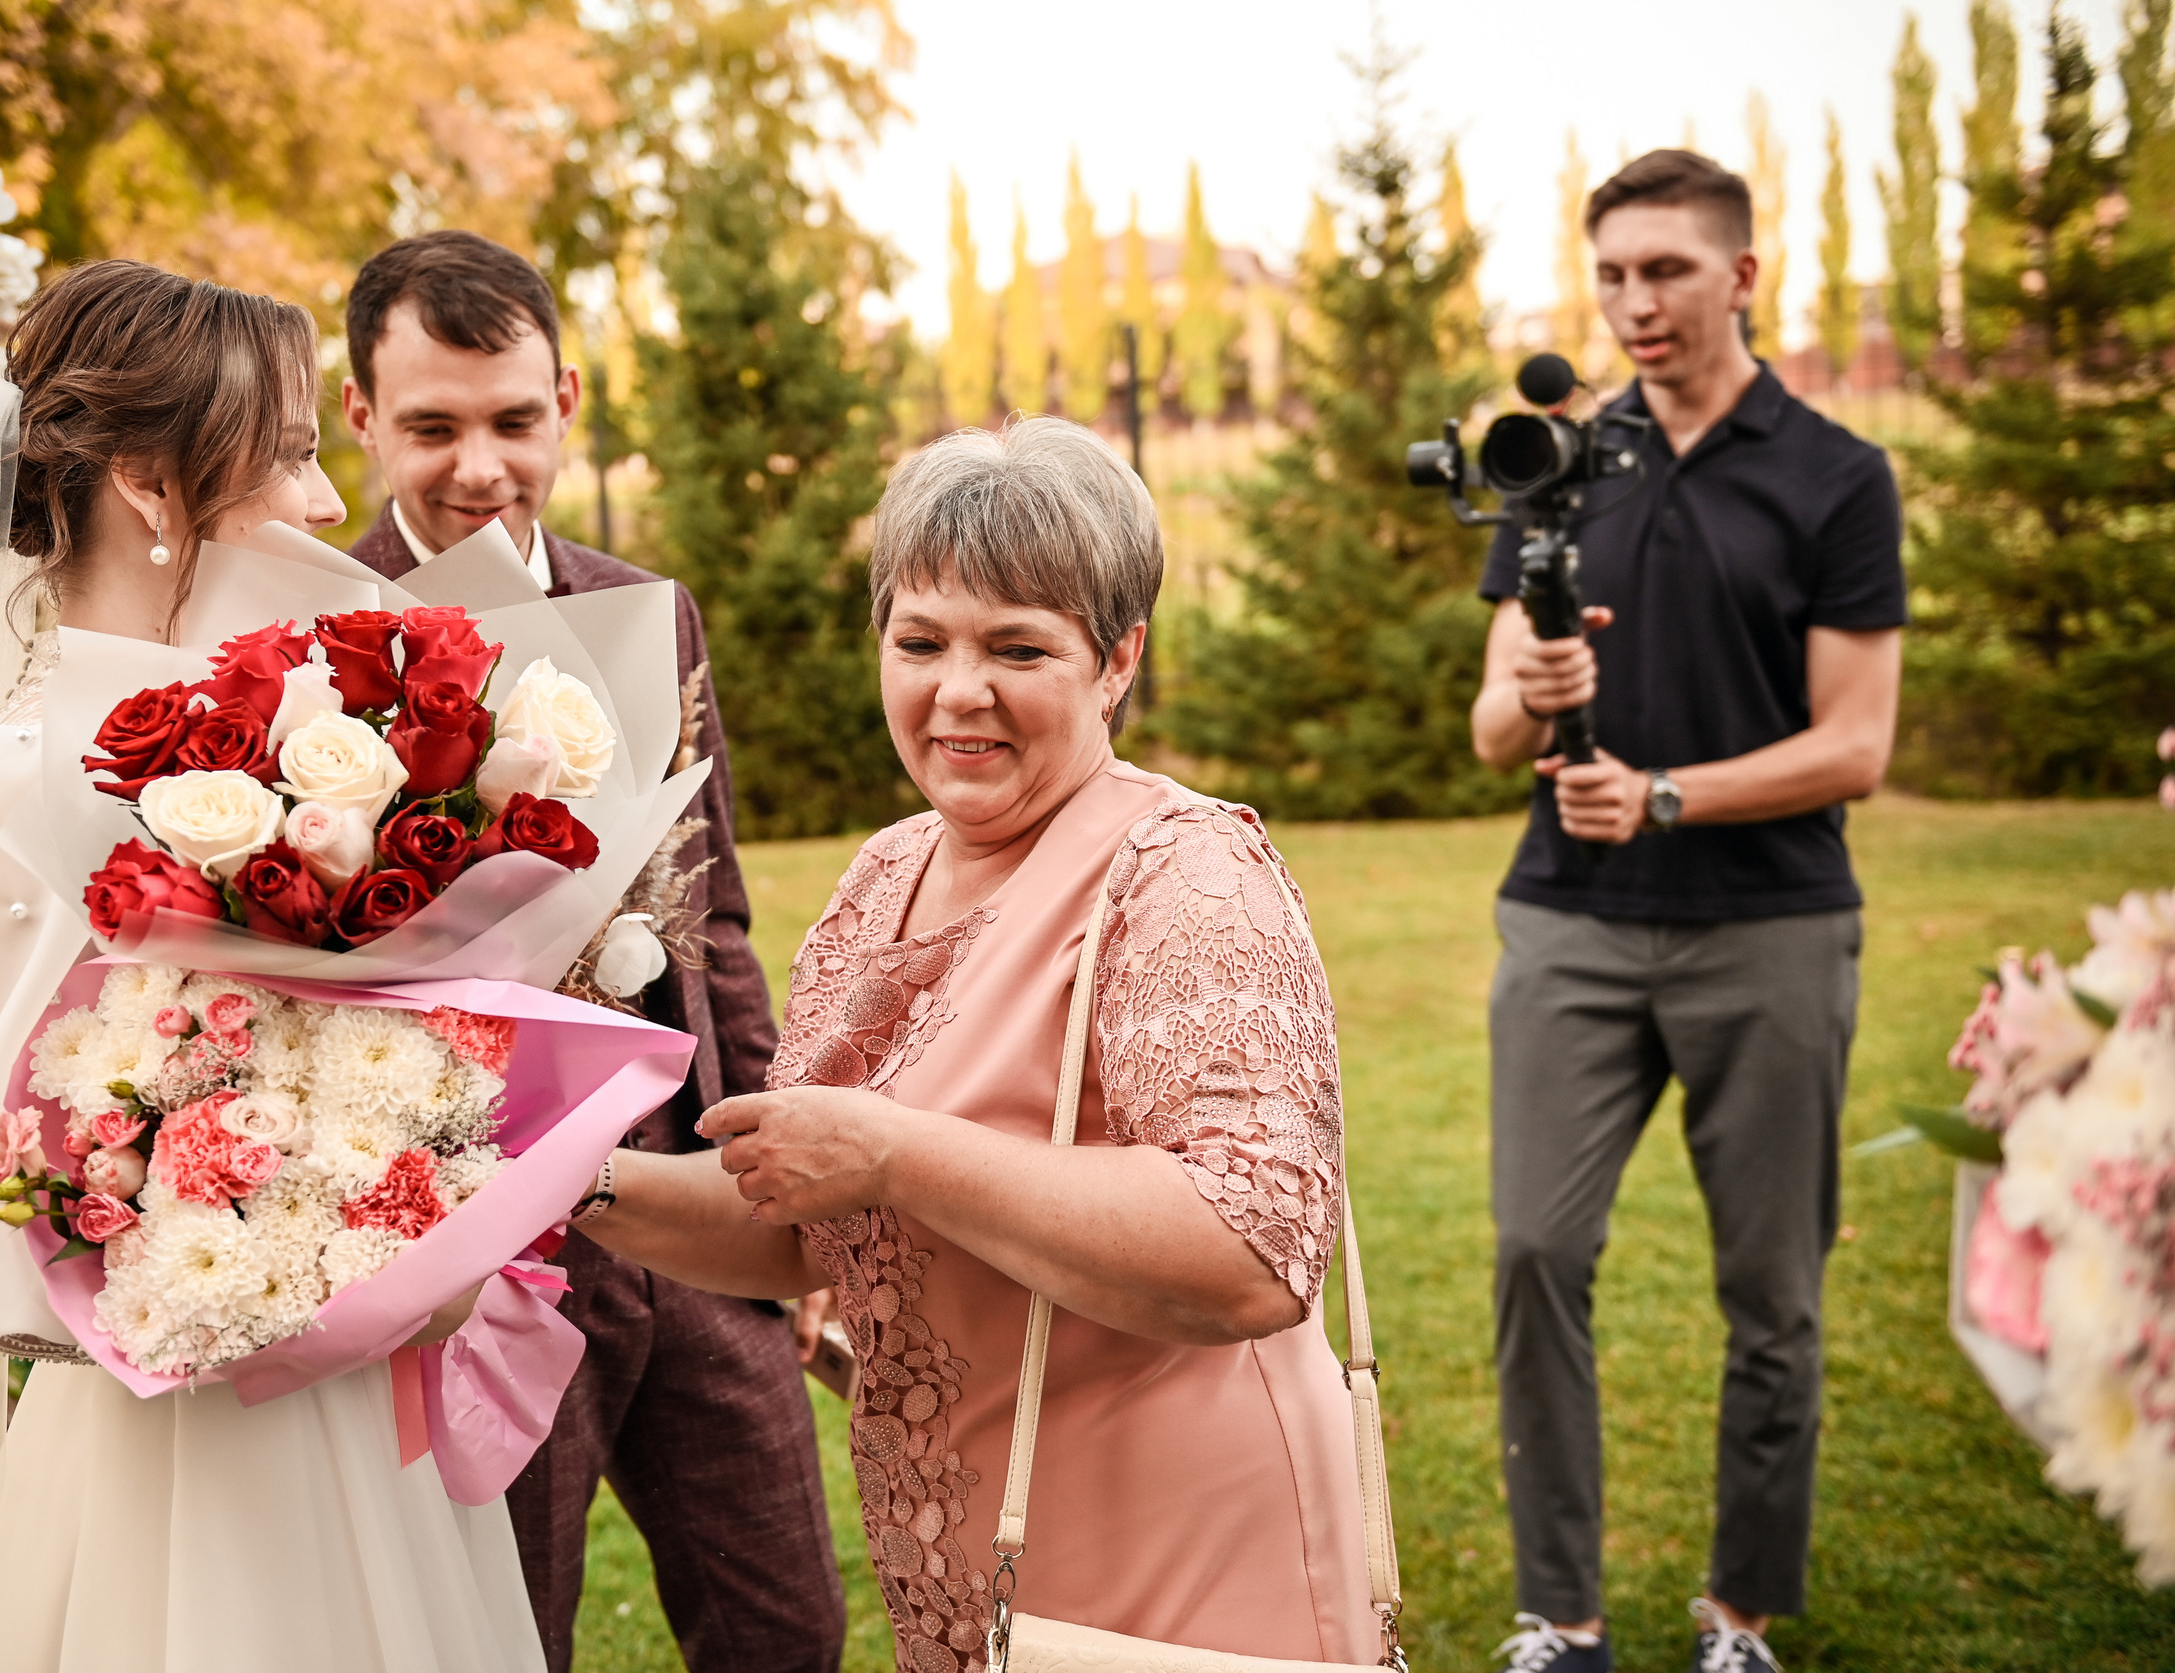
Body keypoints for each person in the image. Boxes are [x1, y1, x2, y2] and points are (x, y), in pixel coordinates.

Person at [0, 260, 546, 1672]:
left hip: (356, 1440)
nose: (317, 500)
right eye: (291, 453)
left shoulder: (323, 772)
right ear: (151, 489)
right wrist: (245, 1247)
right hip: (159, 1470)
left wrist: (430, 1181)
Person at [576, 414, 1382, 1667]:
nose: (959, 690)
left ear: (1117, 660)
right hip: (971, 1582)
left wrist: (899, 1151)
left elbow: (1253, 1250)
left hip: (1177, 1576)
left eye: (1018, 646)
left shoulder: (1183, 872)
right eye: (920, 640)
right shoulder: (884, 871)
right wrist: (566, 1180)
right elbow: (804, 1218)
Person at [337, 230, 845, 1673]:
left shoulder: (650, 609)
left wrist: (777, 1198)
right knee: (511, 1633)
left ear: (566, 397)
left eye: (513, 420)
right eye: (433, 426)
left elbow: (714, 916)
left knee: (785, 1624)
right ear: (363, 416)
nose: (480, 466)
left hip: (689, 1197)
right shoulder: (311, 640)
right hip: (481, 1246)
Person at [1467, 151, 1905, 1673]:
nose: (1634, 304)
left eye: (1664, 271)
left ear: (1742, 274)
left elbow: (1857, 744)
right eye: (1610, 276)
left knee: (1772, 1288)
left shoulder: (1836, 475)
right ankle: (1563, 1619)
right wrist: (1532, 691)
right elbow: (1488, 738)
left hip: (1770, 927)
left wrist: (1663, 793)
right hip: (1571, 928)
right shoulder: (1554, 457)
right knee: (1534, 1249)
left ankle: (1737, 1617)